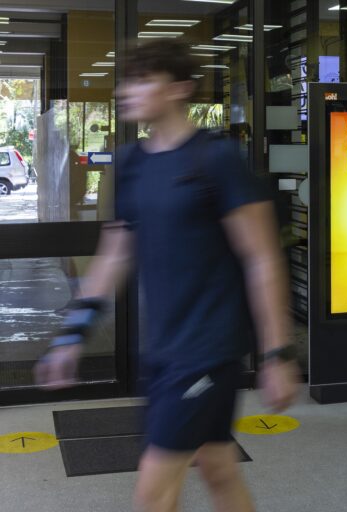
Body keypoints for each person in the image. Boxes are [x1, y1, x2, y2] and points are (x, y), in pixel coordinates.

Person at [34, 40, 298, 512]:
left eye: (142, 80)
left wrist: (277, 353)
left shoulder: (216, 159)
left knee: (153, 494)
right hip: (161, 349)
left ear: (179, 88)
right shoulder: (131, 163)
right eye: (126, 80)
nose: (126, 90)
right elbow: (115, 254)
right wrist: (72, 335)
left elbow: (261, 258)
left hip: (207, 351)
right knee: (217, 467)